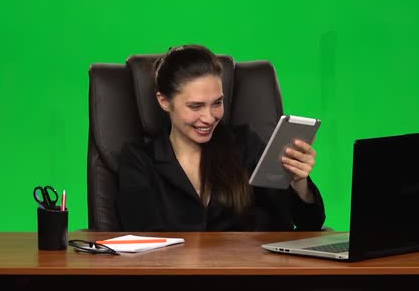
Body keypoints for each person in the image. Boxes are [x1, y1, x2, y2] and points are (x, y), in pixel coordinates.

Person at [116, 44, 325, 231]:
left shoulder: (245, 145)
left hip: (247, 271)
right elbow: (140, 239)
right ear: (164, 101)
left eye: (217, 103)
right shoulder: (139, 161)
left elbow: (309, 225)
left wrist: (299, 182)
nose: (209, 118)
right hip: (173, 273)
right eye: (195, 106)